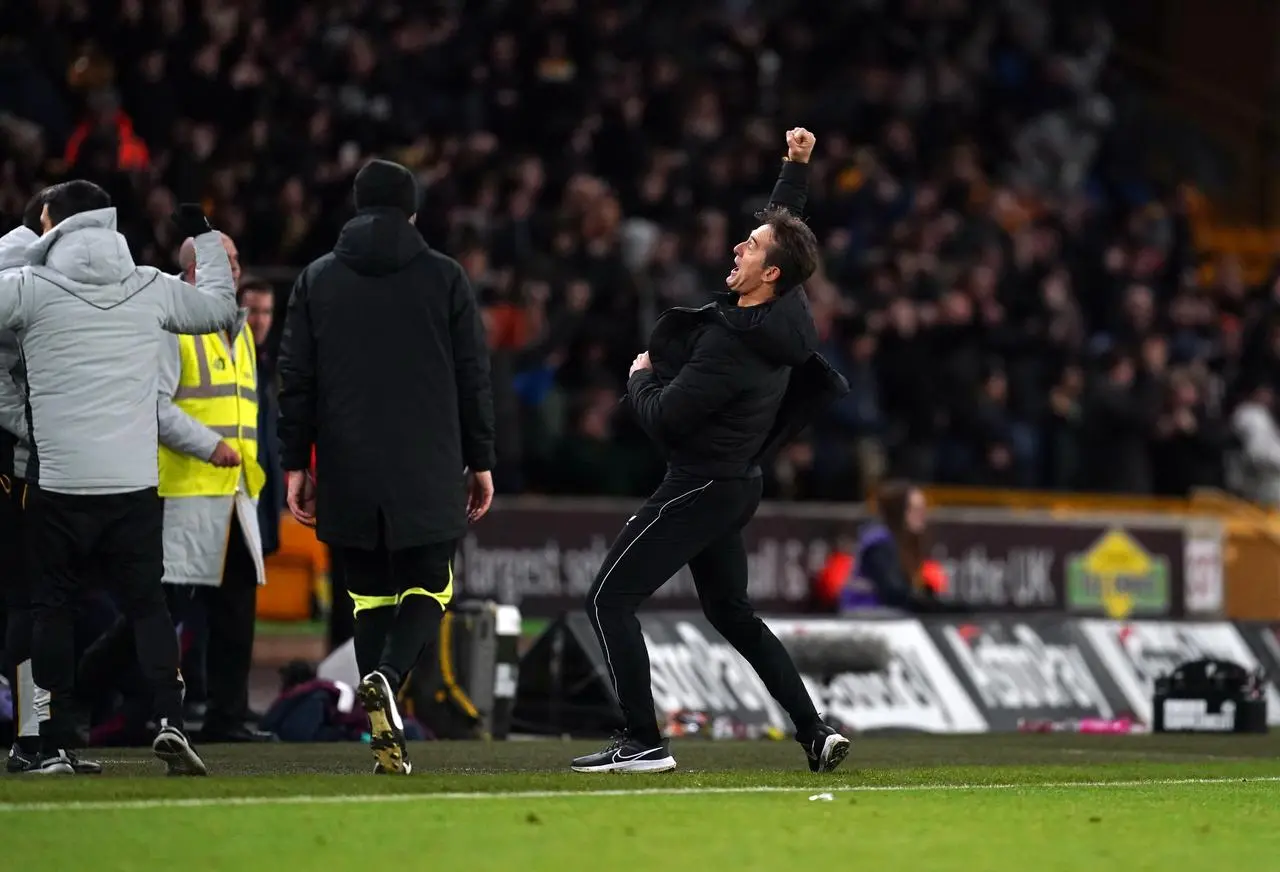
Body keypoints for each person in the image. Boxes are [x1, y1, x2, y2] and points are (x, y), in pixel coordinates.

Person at [572, 129, 852, 775]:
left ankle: (642, 741)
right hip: (736, 484)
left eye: (750, 248)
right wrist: (796, 165)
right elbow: (788, 227)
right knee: (733, 613)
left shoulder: (732, 346)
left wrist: (641, 374)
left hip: (701, 483)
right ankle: (814, 732)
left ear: (769, 275)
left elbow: (664, 420)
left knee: (607, 600)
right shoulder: (788, 310)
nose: (738, 245)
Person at [0, 180, 238, 775]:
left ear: (53, 224)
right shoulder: (151, 287)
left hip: (57, 483)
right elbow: (218, 308)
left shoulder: (29, 287)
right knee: (148, 608)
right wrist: (204, 240)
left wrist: (25, 243)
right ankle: (170, 720)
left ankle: (42, 739)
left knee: (49, 609)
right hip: (133, 486)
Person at [278, 159, 496, 775]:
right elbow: (472, 377)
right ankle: (386, 678)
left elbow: (295, 380)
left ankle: (384, 737)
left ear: (356, 207)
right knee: (433, 584)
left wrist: (297, 461)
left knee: (369, 595)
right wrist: (480, 459)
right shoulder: (445, 278)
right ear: (413, 211)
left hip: (347, 462)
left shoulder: (316, 279)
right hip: (427, 459)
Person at [76, 232, 273, 744]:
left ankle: (228, 715)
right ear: (192, 272)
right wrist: (209, 446)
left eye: (234, 260)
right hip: (184, 492)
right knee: (155, 611)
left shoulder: (240, 329)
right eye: (223, 262)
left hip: (233, 494)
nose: (233, 270)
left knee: (234, 609)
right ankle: (79, 690)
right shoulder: (170, 324)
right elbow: (155, 406)